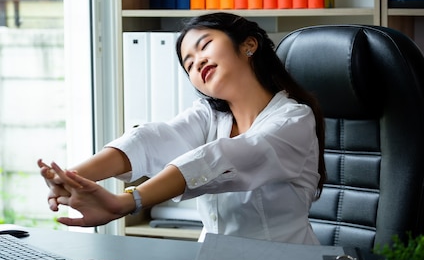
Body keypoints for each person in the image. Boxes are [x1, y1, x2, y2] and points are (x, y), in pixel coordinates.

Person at [38, 12, 326, 245]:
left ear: (248, 44)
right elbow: (151, 141)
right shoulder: (210, 116)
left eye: (204, 45)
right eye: (188, 63)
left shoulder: (294, 119)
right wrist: (72, 177)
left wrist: (126, 202)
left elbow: (222, 157)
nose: (197, 61)